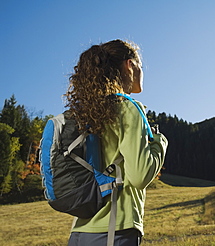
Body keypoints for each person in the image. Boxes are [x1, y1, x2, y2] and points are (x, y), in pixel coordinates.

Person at [65, 39, 168, 245]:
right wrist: (160, 143)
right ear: (130, 64)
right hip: (115, 229)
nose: (141, 71)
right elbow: (140, 176)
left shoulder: (87, 114)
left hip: (80, 232)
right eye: (140, 65)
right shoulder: (127, 109)